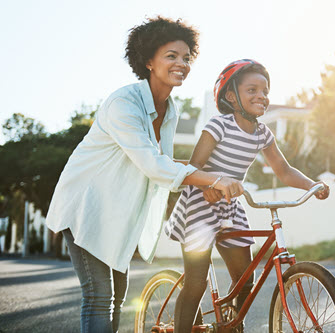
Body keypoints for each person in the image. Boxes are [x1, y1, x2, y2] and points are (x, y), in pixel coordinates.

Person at [45, 17, 243, 333]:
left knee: (117, 299)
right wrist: (212, 179)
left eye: (186, 57)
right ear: (149, 61)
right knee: (99, 297)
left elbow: (162, 160)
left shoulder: (170, 108)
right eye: (171, 56)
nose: (182, 63)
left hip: (116, 215)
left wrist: (208, 176)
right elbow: (152, 164)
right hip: (85, 207)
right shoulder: (123, 103)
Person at [165, 59, 330, 332]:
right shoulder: (219, 125)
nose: (261, 96)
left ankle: (231, 326)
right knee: (196, 283)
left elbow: (284, 170)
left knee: (245, 279)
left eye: (265, 91)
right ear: (231, 96)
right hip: (201, 203)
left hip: (230, 207)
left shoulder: (262, 133)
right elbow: (194, 167)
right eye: (252, 90)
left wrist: (313, 185)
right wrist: (209, 187)